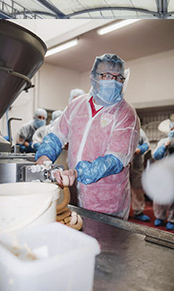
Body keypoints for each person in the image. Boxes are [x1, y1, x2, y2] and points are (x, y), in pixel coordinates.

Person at [35, 53, 140, 219]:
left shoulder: (126, 113)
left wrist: (79, 172)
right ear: (93, 77)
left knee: (105, 236)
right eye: (107, 75)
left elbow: (116, 159)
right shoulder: (77, 105)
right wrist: (45, 156)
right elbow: (56, 135)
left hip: (107, 202)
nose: (113, 82)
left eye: (118, 77)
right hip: (75, 194)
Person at [152, 121, 174, 229]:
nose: (173, 131)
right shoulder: (163, 141)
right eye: (171, 129)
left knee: (173, 199)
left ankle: (172, 220)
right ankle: (159, 217)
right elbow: (156, 156)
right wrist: (165, 146)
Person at [130, 129, 151, 222]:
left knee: (137, 189)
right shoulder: (121, 128)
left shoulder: (140, 131)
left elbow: (146, 144)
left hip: (137, 165)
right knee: (121, 190)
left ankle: (138, 212)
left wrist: (140, 149)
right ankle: (121, 211)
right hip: (123, 166)